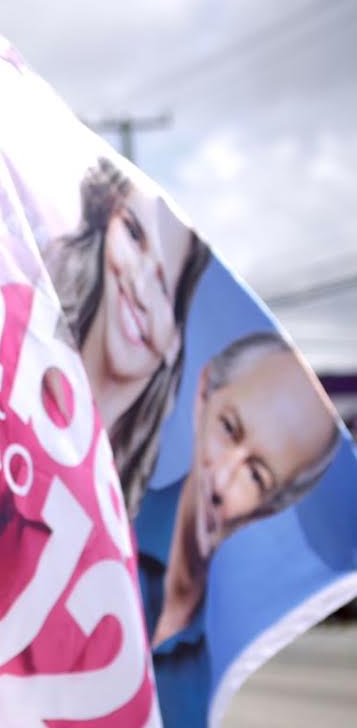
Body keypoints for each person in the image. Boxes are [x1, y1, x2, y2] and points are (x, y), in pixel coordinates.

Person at [117, 331, 343, 728]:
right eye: (229, 429)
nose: (223, 479)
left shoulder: (223, 630)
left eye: (258, 476)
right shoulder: (103, 541)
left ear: (274, 504)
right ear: (203, 396)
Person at [45, 157, 212, 518]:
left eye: (164, 288)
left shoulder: (153, 517)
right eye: (134, 235)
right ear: (106, 230)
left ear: (177, 340)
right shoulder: (10, 360)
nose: (139, 285)